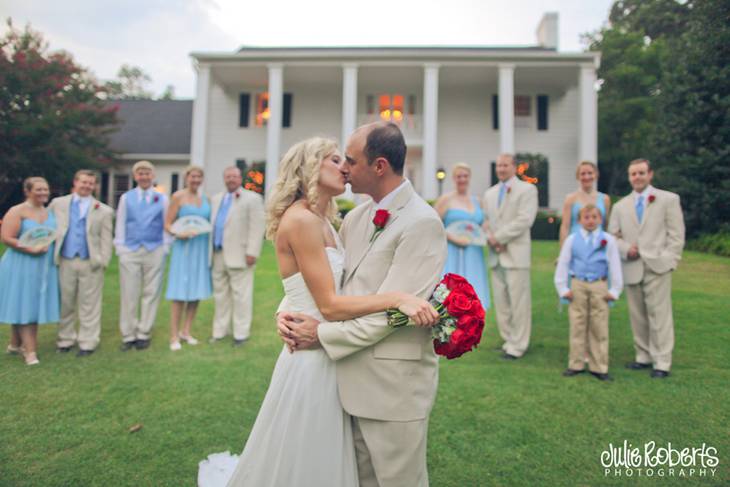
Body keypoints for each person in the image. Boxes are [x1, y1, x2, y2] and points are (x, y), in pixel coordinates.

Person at [198, 131, 442, 487]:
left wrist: (319, 331)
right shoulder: (352, 218)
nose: (345, 168)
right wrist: (289, 310)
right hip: (335, 366)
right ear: (310, 168)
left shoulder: (418, 222)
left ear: (379, 166)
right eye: (337, 159)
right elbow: (321, 291)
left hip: (387, 382)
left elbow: (381, 308)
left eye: (350, 160)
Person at [608, 159, 685, 379]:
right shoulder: (620, 205)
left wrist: (670, 259)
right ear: (629, 177)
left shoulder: (668, 199)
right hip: (632, 265)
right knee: (638, 314)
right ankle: (643, 356)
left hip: (657, 265)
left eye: (641, 173)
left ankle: (662, 361)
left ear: (650, 174)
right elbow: (612, 236)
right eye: (633, 174)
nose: (637, 177)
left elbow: (676, 234)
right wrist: (625, 249)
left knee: (659, 314)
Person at [555, 204, 623, 381]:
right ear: (579, 220)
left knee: (599, 325)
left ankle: (599, 366)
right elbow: (563, 263)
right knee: (578, 324)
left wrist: (615, 290)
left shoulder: (608, 240)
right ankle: (575, 363)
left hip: (599, 285)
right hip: (578, 284)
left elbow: (615, 265)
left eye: (594, 217)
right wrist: (563, 287)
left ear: (600, 219)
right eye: (587, 217)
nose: (591, 221)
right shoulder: (572, 239)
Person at [49, 170, 114, 357]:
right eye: (83, 182)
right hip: (66, 259)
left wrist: (102, 260)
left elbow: (106, 238)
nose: (86, 186)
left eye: (90, 183)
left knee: (90, 304)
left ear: (94, 186)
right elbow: (47, 226)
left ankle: (88, 342)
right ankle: (65, 339)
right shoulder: (58, 204)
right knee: (66, 302)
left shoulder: (103, 210)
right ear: (75, 182)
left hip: (90, 261)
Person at [482, 153, 538, 359]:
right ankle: (508, 340)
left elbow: (525, 220)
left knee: (519, 302)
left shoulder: (528, 190)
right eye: (498, 166)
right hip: (496, 255)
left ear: (514, 167)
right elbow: (486, 220)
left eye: (505, 165)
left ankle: (519, 345)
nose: (501, 169)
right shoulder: (489, 193)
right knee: (502, 303)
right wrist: (490, 237)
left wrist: (498, 238)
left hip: (516, 255)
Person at [0, 177, 60, 365]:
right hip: (21, 264)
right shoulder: (17, 211)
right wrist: (29, 248)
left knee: (25, 303)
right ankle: (30, 352)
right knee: (27, 306)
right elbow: (6, 237)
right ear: (27, 191)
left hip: (43, 265)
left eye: (46, 189)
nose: (43, 193)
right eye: (39, 189)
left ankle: (15, 344)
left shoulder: (48, 211)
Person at [114, 160, 170, 351]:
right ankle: (128, 334)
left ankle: (144, 332)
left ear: (152, 176)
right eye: (140, 173)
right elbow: (120, 223)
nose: (144, 177)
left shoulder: (161, 198)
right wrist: (121, 249)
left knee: (150, 292)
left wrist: (164, 248)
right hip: (130, 249)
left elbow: (165, 224)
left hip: (154, 249)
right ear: (135, 176)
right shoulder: (126, 198)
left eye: (147, 173)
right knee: (129, 293)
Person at [208, 167, 266, 346]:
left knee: (241, 296)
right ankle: (219, 332)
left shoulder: (252, 198)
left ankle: (241, 334)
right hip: (217, 254)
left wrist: (252, 252)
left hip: (240, 255)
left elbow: (257, 227)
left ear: (240, 178)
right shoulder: (216, 199)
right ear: (224, 179)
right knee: (220, 295)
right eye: (228, 176)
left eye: (234, 176)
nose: (231, 179)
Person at [164, 166, 212, 351]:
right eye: (193, 176)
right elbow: (167, 224)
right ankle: (174, 336)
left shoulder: (205, 198)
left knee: (195, 291)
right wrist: (178, 233)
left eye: (199, 176)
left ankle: (186, 330)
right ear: (186, 178)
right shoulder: (178, 197)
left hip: (200, 249)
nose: (196, 180)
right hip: (183, 249)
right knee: (179, 292)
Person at [434, 162, 490, 310]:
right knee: (450, 295)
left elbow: (483, 224)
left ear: (469, 178)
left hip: (473, 253)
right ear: (454, 178)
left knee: (473, 295)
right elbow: (433, 225)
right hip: (452, 251)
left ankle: (471, 326)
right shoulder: (446, 200)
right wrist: (453, 238)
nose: (462, 179)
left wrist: (485, 231)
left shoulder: (478, 201)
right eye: (459, 176)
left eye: (465, 176)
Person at [559, 161, 612, 246]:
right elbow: (565, 226)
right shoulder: (570, 199)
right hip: (576, 244)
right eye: (583, 174)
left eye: (590, 173)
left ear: (596, 175)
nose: (586, 177)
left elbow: (606, 225)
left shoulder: (605, 199)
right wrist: (563, 250)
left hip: (598, 244)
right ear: (577, 176)